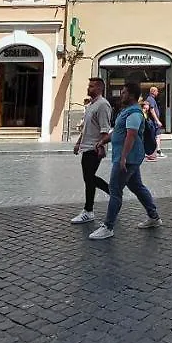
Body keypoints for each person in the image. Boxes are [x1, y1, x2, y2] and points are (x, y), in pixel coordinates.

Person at [89, 79, 162, 241]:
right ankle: (154, 217)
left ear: (132, 95)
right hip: (129, 158)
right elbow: (117, 132)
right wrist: (103, 141)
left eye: (124, 93)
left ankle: (108, 226)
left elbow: (131, 134)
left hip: (128, 159)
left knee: (115, 190)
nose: (121, 95)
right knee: (137, 186)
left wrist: (122, 158)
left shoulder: (135, 113)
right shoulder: (126, 111)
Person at [71, 77, 112, 224]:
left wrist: (101, 146)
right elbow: (86, 128)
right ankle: (90, 209)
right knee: (88, 179)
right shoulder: (91, 105)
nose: (89, 88)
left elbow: (105, 129)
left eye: (92, 86)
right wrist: (78, 143)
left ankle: (91, 209)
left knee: (89, 178)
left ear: (100, 88)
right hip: (86, 147)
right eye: (89, 86)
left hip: (94, 148)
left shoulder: (102, 105)